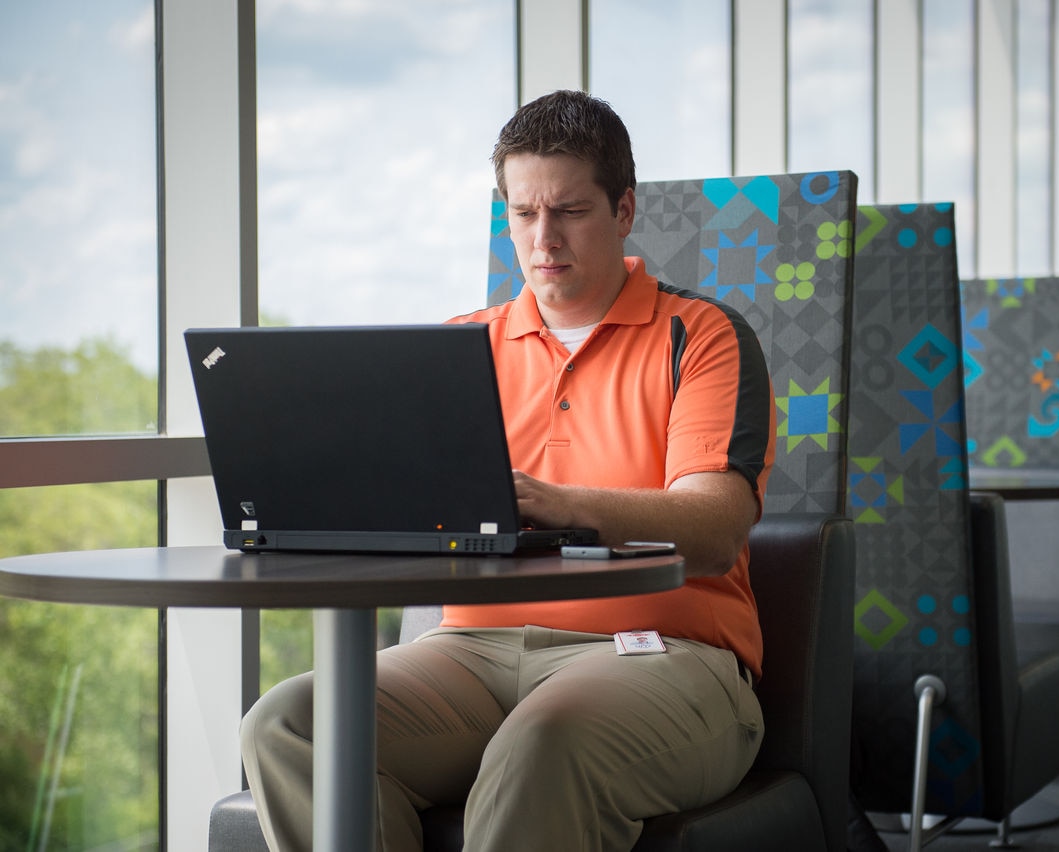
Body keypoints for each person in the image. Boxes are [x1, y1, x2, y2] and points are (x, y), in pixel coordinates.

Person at [240, 89, 777, 852]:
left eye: (570, 211)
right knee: (288, 726)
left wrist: (559, 504)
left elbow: (716, 530)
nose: (542, 238)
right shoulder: (461, 347)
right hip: (468, 655)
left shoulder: (702, 335)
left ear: (624, 209)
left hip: (664, 654)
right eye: (523, 214)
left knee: (543, 741)